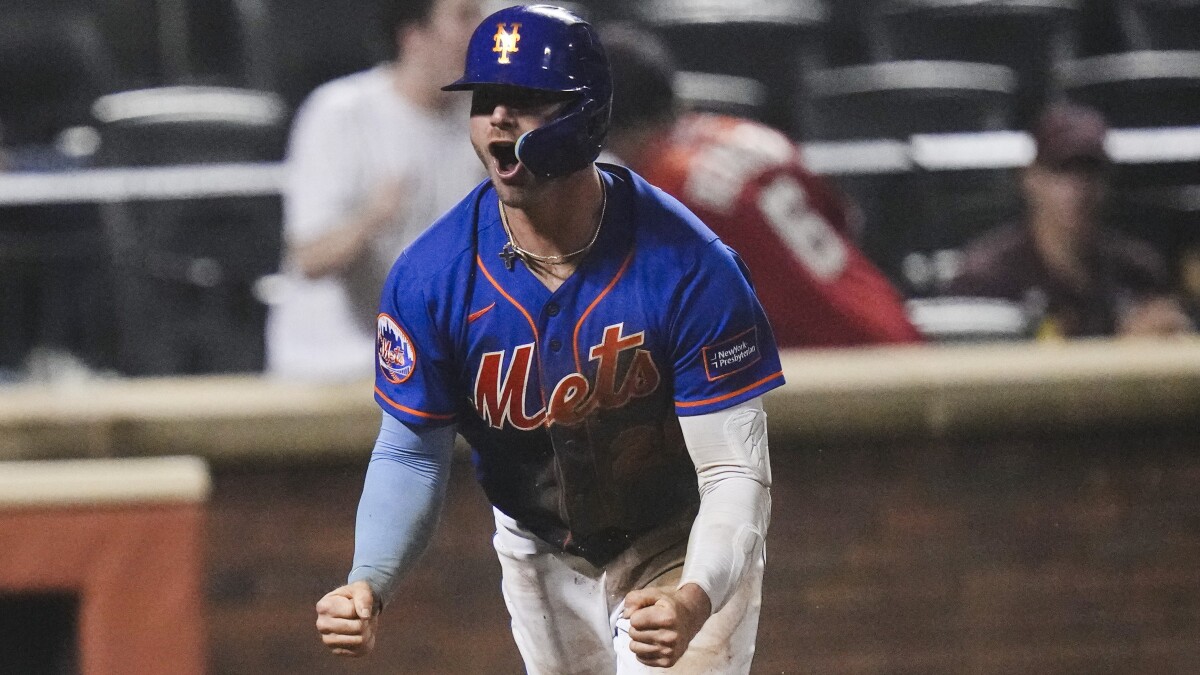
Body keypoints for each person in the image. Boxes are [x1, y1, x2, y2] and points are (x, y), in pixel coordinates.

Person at [314, 6, 782, 673]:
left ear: (587, 114)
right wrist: (369, 577)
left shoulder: (690, 263)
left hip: (679, 535)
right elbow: (413, 450)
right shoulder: (432, 275)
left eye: (528, 100)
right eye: (486, 100)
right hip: (539, 540)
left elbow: (733, 471)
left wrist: (695, 596)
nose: (499, 118)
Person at [599, 25, 923, 349]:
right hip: (899, 336)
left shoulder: (660, 193)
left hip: (832, 374)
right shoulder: (754, 137)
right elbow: (844, 222)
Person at [265, 0, 486, 381]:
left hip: (435, 372)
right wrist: (374, 217)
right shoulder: (342, 113)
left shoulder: (483, 123)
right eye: (464, 17)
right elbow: (310, 258)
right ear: (414, 36)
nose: (480, 32)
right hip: (332, 368)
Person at [946, 101, 1194, 338]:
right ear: (1030, 178)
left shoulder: (1137, 273)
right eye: (1061, 171)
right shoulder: (986, 279)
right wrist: (1122, 352)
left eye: (1089, 172)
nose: (1078, 189)